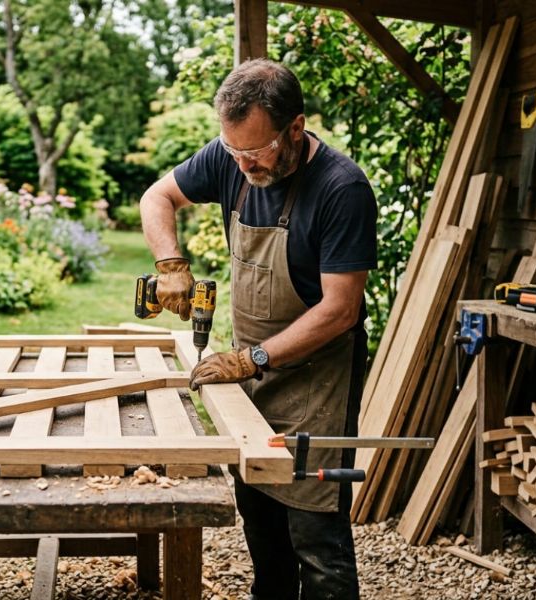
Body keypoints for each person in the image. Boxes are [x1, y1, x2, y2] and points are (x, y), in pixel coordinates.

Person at [139, 58, 377, 600]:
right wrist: (170, 263)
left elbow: (340, 309)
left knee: (316, 540)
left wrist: (253, 359)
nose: (244, 166)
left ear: (295, 127)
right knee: (262, 528)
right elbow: (158, 196)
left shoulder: (342, 189)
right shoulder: (231, 156)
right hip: (251, 380)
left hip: (318, 382)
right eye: (234, 153)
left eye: (257, 152)